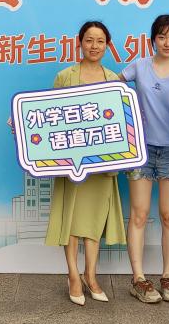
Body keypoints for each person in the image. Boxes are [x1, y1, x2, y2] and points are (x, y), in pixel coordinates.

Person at [45, 20, 126, 305]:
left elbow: (122, 122)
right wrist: (22, 122)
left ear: (107, 45)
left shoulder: (114, 80)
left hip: (102, 165)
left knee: (95, 219)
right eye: (89, 40)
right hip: (71, 165)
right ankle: (73, 275)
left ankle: (91, 276)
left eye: (100, 41)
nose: (94, 46)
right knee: (71, 219)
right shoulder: (65, 76)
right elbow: (48, 116)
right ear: (80, 42)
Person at [120, 14, 169, 303]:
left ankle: (167, 276)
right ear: (152, 40)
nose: (167, 43)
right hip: (141, 151)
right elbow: (107, 90)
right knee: (139, 214)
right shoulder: (139, 66)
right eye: (162, 37)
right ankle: (138, 279)